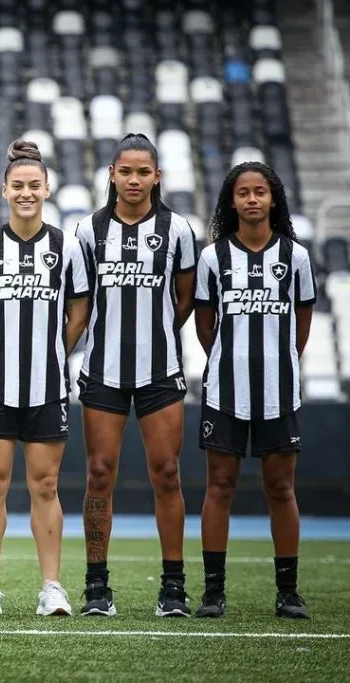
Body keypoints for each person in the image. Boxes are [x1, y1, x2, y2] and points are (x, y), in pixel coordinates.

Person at [74, 133, 197, 617]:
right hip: (102, 370)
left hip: (160, 372)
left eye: (143, 171)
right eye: (125, 171)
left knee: (166, 474)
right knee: (99, 474)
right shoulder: (89, 230)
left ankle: (172, 586)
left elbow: (184, 299)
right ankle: (97, 586)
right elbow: (81, 304)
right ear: (111, 174)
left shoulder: (178, 231)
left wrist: (156, 335)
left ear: (158, 176)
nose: (134, 179)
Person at [0, 140, 91, 616]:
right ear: (4, 190)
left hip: (47, 386)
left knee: (45, 485)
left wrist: (56, 350)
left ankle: (52, 586)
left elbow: (80, 308)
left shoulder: (68, 247)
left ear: (47, 188)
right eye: (17, 185)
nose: (25, 193)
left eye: (33, 185)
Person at [194, 162, 315, 619]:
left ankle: (288, 592)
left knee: (280, 488)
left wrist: (277, 360)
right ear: (231, 201)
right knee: (219, 486)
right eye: (242, 192)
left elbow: (301, 326)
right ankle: (213, 592)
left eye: (259, 192)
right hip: (225, 390)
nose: (251, 200)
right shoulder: (213, 258)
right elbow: (207, 328)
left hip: (278, 391)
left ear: (272, 199)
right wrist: (235, 358)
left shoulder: (295, 258)